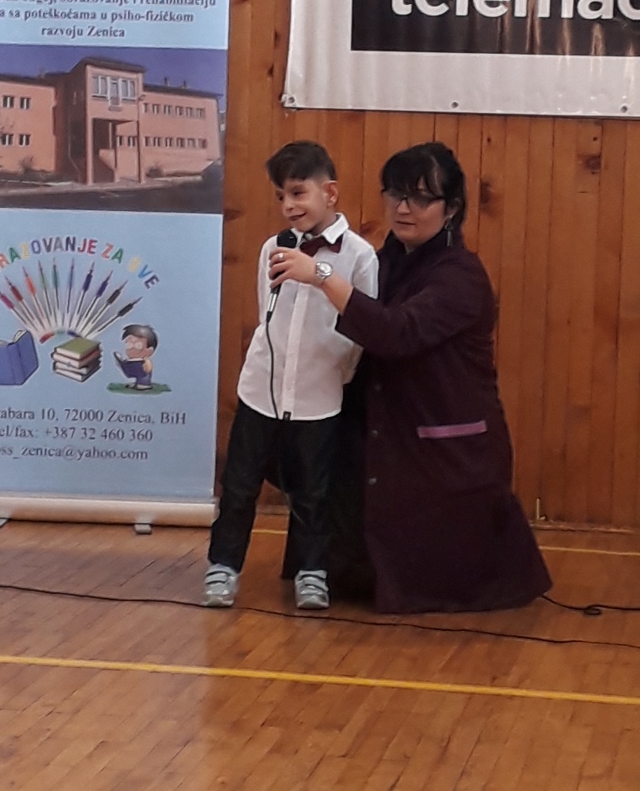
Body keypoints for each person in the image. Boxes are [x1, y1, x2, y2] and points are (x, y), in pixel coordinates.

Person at [270, 142, 551, 614]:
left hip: (442, 442)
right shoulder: (382, 260)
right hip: (384, 425)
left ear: (451, 208)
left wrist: (321, 275)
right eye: (396, 194)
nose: (403, 208)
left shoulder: (462, 275)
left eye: (421, 198)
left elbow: (396, 333)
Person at [204, 140, 378, 610]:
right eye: (281, 196)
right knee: (239, 485)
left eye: (298, 193)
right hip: (261, 390)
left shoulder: (359, 256)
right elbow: (268, 311)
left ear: (330, 193)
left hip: (319, 396)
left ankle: (312, 572)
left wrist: (333, 375)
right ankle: (223, 567)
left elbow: (361, 328)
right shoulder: (272, 247)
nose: (288, 205)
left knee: (313, 492)